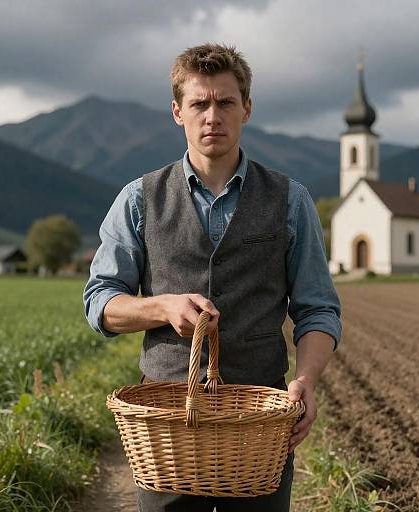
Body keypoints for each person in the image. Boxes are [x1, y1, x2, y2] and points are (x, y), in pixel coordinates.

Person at [83, 43, 341, 512]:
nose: (212, 116)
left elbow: (317, 308)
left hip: (258, 426)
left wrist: (306, 379)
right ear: (177, 112)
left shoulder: (290, 200)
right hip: (166, 430)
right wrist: (162, 306)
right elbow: (100, 303)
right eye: (199, 103)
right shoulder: (138, 200)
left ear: (247, 107)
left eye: (225, 102)